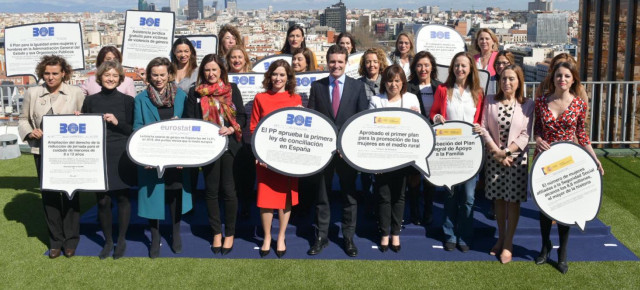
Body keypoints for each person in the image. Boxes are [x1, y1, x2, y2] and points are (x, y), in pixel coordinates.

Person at [534, 61, 604, 274]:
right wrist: (537, 139)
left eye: (566, 76)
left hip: (567, 162)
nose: (562, 79)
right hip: (544, 160)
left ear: (573, 80)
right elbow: (537, 128)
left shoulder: (579, 105)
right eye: (558, 76)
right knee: (544, 207)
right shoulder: (541, 102)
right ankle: (545, 246)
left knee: (565, 206)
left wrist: (595, 159)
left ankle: (562, 253)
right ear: (552, 78)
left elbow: (582, 135)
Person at [18, 55, 85, 259]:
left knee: (71, 195)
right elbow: (23, 119)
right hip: (43, 152)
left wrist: (80, 119)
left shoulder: (76, 92)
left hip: (70, 152)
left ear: (64, 73)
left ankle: (72, 240)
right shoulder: (33, 93)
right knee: (49, 196)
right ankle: (56, 241)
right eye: (47, 73)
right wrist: (31, 132)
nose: (50, 77)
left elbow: (86, 118)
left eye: (55, 73)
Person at [307, 45, 369, 257]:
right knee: (322, 196)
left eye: (340, 62)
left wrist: (348, 146)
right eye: (332, 61)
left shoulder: (356, 87)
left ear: (346, 63)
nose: (336, 65)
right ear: (327, 62)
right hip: (324, 153)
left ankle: (348, 237)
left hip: (347, 153)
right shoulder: (317, 87)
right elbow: (313, 121)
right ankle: (321, 236)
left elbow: (361, 120)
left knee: (349, 196)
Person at [184, 54, 245, 255]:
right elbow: (190, 120)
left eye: (214, 70)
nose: (211, 74)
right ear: (202, 72)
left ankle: (230, 233)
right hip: (207, 148)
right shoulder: (195, 93)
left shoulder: (231, 90)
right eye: (207, 70)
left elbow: (242, 116)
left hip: (228, 146)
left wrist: (230, 127)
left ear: (221, 71)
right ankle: (216, 232)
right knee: (211, 191)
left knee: (228, 190)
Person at [133, 57, 193, 258]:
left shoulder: (181, 96)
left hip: (176, 158)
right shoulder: (141, 98)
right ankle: (155, 237)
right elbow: (137, 128)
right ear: (149, 76)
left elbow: (189, 126)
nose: (158, 78)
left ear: (169, 75)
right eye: (154, 75)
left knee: (175, 193)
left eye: (162, 74)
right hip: (152, 158)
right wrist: (144, 157)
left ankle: (176, 234)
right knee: (153, 198)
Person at [80, 61, 136, 259]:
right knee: (102, 200)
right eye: (107, 75)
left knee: (122, 197)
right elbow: (84, 129)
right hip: (98, 154)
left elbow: (132, 130)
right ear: (100, 77)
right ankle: (108, 240)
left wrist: (116, 122)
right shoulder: (91, 101)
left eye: (114, 75)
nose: (111, 79)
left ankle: (121, 240)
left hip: (121, 153)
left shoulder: (128, 101)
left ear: (120, 78)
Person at [478, 64, 533, 264]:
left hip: (516, 160)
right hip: (494, 158)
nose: (507, 82)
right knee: (499, 200)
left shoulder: (527, 104)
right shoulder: (490, 100)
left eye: (511, 79)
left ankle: (508, 243)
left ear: (519, 82)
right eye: (503, 79)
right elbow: (483, 128)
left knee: (513, 202)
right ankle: (500, 238)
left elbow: (526, 134)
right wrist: (497, 152)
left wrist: (508, 151)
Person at [430, 52, 484, 253]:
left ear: (470, 69)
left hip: (470, 151)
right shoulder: (444, 90)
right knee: (451, 195)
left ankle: (465, 234)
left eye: (464, 66)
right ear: (452, 68)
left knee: (469, 197)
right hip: (449, 151)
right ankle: (450, 234)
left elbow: (481, 119)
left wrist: (479, 126)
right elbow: (434, 112)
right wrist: (436, 118)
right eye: (456, 65)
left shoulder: (478, 92)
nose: (460, 69)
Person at [250, 60, 302, 258]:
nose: (278, 78)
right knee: (266, 199)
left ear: (288, 78)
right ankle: (266, 237)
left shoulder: (295, 98)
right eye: (275, 74)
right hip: (265, 158)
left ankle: (281, 236)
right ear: (269, 76)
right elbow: (254, 127)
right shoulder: (260, 98)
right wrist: (259, 153)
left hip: (288, 159)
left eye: (282, 75)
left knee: (285, 198)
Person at [369, 65, 420, 252]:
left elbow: (418, 129)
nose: (393, 84)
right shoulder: (376, 100)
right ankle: (384, 233)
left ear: (403, 82)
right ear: (384, 82)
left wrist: (416, 117)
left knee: (399, 196)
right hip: (381, 159)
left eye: (397, 80)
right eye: (390, 81)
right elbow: (371, 130)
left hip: (403, 159)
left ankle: (395, 233)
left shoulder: (411, 99)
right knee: (383, 196)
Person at [406, 50, 441, 225]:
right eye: (419, 65)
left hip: (435, 138)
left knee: (429, 177)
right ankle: (414, 209)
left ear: (432, 67)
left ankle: (428, 209)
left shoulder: (440, 87)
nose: (423, 69)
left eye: (426, 65)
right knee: (413, 177)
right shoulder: (407, 87)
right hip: (415, 138)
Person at [357, 47, 388, 219]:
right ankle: (369, 208)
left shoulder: (388, 82)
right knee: (367, 176)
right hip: (366, 135)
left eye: (375, 61)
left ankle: (381, 209)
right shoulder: (357, 84)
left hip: (385, 136)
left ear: (381, 63)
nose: (371, 65)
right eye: (368, 61)